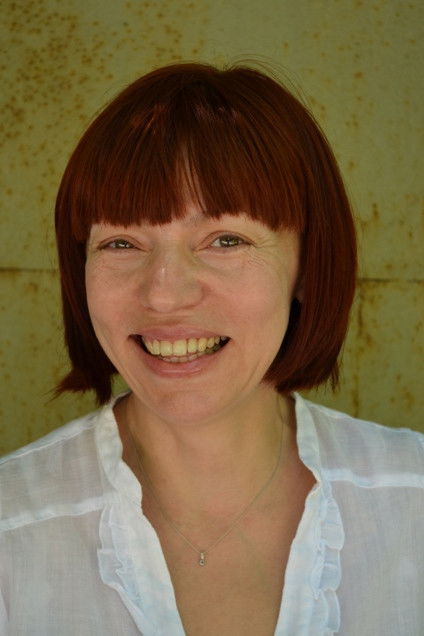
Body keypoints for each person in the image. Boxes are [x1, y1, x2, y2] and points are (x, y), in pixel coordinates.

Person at [0, 62, 422, 636]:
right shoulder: (13, 526)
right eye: (121, 242)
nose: (164, 294)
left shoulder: (413, 502)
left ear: (305, 266)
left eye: (225, 240)